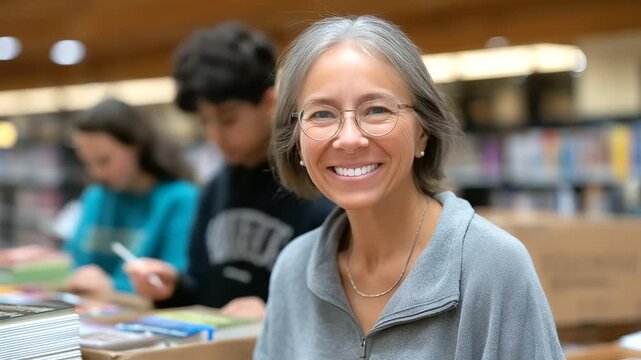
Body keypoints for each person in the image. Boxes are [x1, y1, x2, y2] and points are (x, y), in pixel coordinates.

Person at [255, 15, 564, 359]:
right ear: (296, 141)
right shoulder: (294, 269)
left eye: (376, 109)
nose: (349, 139)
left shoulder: (492, 267)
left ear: (423, 131)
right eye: (322, 114)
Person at [125, 22, 334, 318]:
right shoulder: (213, 190)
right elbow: (202, 290)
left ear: (269, 102)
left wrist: (273, 313)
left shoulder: (316, 186)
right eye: (205, 121)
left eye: (228, 120)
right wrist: (172, 289)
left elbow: (339, 306)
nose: (215, 136)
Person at [66, 98, 199, 295]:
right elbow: (75, 263)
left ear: (136, 146)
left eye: (104, 161)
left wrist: (113, 287)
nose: (96, 174)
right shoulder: (96, 197)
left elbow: (178, 282)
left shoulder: (180, 199)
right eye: (88, 163)